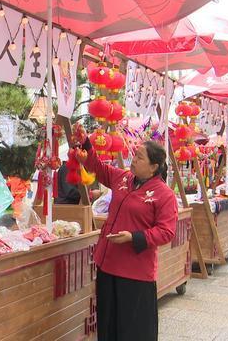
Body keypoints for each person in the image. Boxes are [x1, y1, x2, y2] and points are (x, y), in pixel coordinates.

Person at [79, 140, 177, 341]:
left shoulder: (164, 194)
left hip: (135, 271)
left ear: (154, 167)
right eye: (135, 155)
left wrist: (134, 237)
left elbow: (166, 231)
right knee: (107, 323)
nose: (134, 160)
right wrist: (86, 145)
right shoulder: (123, 178)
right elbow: (98, 167)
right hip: (108, 264)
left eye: (140, 157)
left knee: (133, 329)